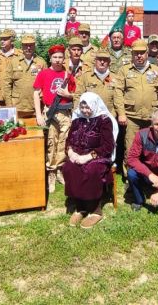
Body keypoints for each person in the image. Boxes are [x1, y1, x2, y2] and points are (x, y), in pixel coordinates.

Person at [62, 93, 116, 229]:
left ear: (95, 106)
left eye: (88, 107)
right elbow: (68, 140)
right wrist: (70, 152)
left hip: (98, 156)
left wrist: (87, 157)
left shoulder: (104, 121)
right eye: (82, 107)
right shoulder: (77, 121)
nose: (85, 111)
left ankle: (96, 209)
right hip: (77, 155)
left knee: (91, 170)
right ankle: (80, 207)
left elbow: (108, 146)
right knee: (69, 167)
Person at [120, 39, 158, 169]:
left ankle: (150, 175)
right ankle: (131, 179)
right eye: (136, 53)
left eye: (142, 53)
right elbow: (118, 92)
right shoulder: (125, 70)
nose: (139, 56)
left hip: (151, 117)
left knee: (151, 147)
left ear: (147, 53)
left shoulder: (155, 70)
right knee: (131, 148)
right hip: (131, 117)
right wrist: (121, 113)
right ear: (132, 54)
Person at [33, 45, 76, 192]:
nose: (57, 60)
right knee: (51, 142)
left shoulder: (67, 75)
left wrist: (67, 95)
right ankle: (50, 172)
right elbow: (36, 93)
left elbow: (74, 94)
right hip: (49, 112)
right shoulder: (43, 73)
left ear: (64, 59)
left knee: (63, 142)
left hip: (65, 114)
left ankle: (60, 170)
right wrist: (38, 115)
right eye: (55, 57)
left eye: (60, 57)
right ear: (50, 58)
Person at [73, 49, 125, 123]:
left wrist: (121, 114)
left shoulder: (115, 78)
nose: (102, 62)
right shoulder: (86, 77)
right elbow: (78, 96)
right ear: (95, 61)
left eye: (105, 60)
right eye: (100, 59)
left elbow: (118, 98)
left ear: (109, 62)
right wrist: (76, 113)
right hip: (88, 118)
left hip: (108, 118)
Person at [2, 34, 47, 118]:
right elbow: (6, 84)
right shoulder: (13, 62)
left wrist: (44, 105)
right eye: (26, 45)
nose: (28, 48)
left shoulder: (41, 63)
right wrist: (9, 105)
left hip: (35, 108)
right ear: (22, 46)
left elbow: (46, 86)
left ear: (34, 46)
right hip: (17, 107)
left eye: (31, 45)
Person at [0, 29, 23, 106]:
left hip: (15, 96)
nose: (2, 41)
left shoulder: (20, 55)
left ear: (12, 40)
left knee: (14, 117)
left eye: (5, 39)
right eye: (1, 39)